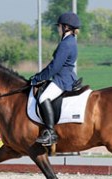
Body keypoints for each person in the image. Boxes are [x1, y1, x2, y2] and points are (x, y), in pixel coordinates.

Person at [30, 12, 80, 146]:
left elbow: (54, 67)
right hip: (67, 77)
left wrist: (38, 78)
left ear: (66, 27)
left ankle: (50, 132)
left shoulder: (66, 44)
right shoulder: (71, 41)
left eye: (59, 26)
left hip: (62, 80)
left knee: (43, 97)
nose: (58, 29)